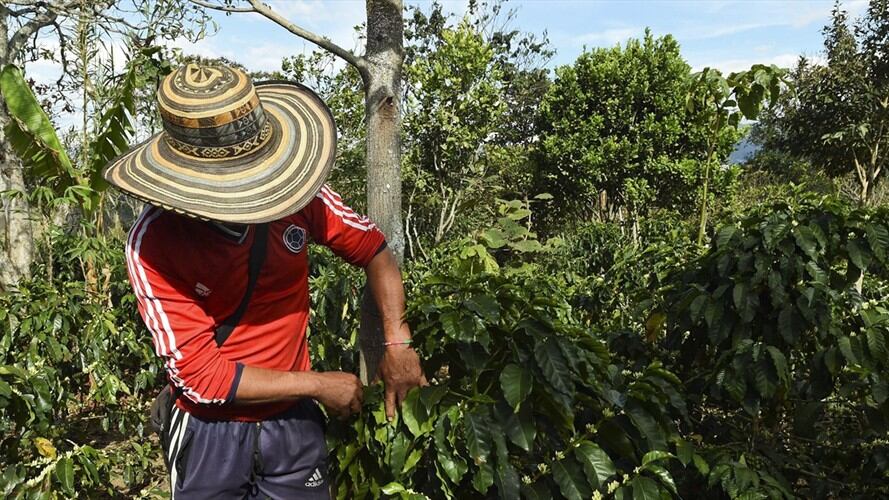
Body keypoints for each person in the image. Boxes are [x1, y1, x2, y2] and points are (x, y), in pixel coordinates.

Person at [103, 62, 426, 499]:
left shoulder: (294, 193)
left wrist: (397, 340)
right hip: (209, 432)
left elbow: (373, 249)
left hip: (292, 426)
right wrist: (317, 384)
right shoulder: (155, 244)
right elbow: (201, 377)